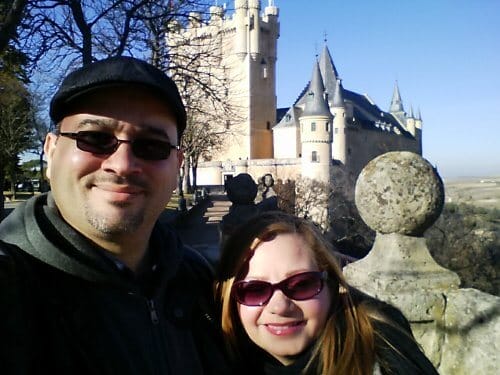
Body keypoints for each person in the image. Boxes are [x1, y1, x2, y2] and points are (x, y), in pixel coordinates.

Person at [0, 56, 228, 374]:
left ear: (177, 166)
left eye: (151, 146)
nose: (122, 165)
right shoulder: (11, 285)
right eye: (94, 138)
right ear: (50, 151)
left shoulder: (201, 284)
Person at [215, 211, 439, 375]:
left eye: (302, 284)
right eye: (254, 290)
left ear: (332, 285)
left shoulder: (385, 352)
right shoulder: (208, 357)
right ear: (229, 300)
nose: (280, 307)